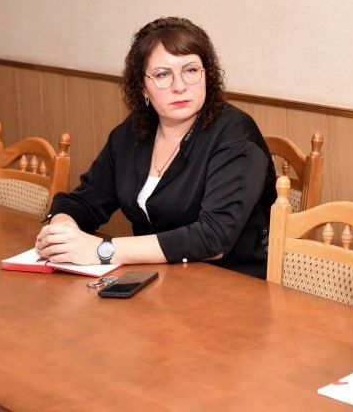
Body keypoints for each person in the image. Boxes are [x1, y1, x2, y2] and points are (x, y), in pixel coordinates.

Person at [35, 17, 276, 278]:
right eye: (162, 74)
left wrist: (102, 250)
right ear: (142, 87)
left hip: (233, 284)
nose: (180, 86)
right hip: (158, 279)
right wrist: (61, 231)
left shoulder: (236, 134)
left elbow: (213, 238)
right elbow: (85, 200)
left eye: (191, 70)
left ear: (208, 75)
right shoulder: (133, 133)